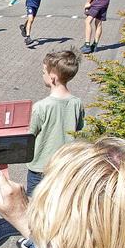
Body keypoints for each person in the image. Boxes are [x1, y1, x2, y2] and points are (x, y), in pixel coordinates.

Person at [26, 48, 85, 195]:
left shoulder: (41, 107)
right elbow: (78, 128)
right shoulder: (77, 103)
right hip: (64, 166)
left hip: (40, 168)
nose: (42, 75)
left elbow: (30, 134)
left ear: (52, 78)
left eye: (43, 72)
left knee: (35, 203)